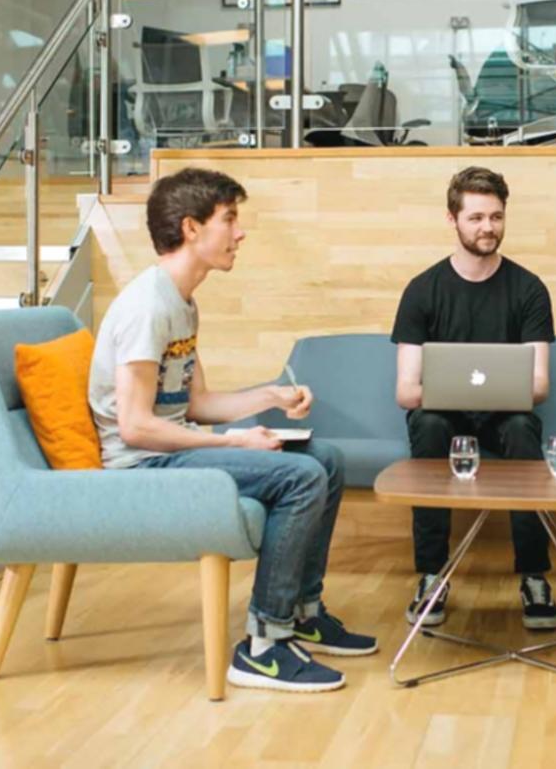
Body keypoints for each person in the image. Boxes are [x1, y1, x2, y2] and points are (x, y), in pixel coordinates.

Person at [89, 166, 375, 693]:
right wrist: (233, 442)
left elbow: (195, 403)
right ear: (192, 228)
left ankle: (303, 612)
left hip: (169, 448)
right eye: (230, 219)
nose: (240, 233)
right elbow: (135, 426)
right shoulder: (146, 307)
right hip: (143, 464)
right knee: (301, 477)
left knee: (327, 458)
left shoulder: (182, 303)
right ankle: (263, 645)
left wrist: (271, 396)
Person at [392, 166, 556, 630]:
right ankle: (432, 575)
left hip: (506, 414)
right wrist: (449, 393)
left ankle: (534, 577)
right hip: (440, 415)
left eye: (497, 217)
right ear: (453, 220)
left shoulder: (528, 289)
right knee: (426, 423)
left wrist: (500, 393)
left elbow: (540, 385)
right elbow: (406, 391)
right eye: (477, 217)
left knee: (525, 429)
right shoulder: (422, 291)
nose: (488, 227)